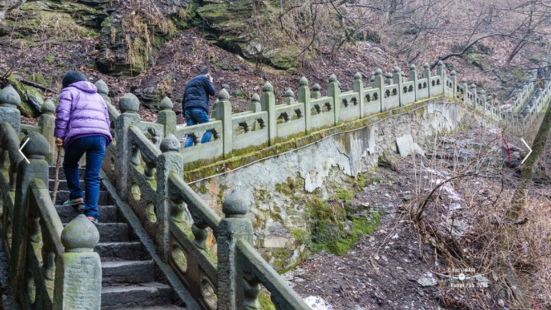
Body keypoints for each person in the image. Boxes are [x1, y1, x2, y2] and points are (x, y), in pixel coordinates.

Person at [54, 71, 112, 224]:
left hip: (80, 135)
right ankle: (92, 214)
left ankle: (76, 196)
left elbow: (63, 115)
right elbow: (107, 119)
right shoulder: (98, 96)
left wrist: (59, 135)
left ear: (67, 83)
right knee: (92, 176)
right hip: (101, 137)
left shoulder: (68, 91)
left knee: (70, 164)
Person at [182, 66, 216, 147]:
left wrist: (184, 112)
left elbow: (184, 98)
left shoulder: (189, 82)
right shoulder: (204, 79)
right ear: (207, 74)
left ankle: (187, 153)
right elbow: (213, 92)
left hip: (187, 109)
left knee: (191, 134)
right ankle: (203, 147)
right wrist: (211, 81)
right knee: (210, 129)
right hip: (198, 108)